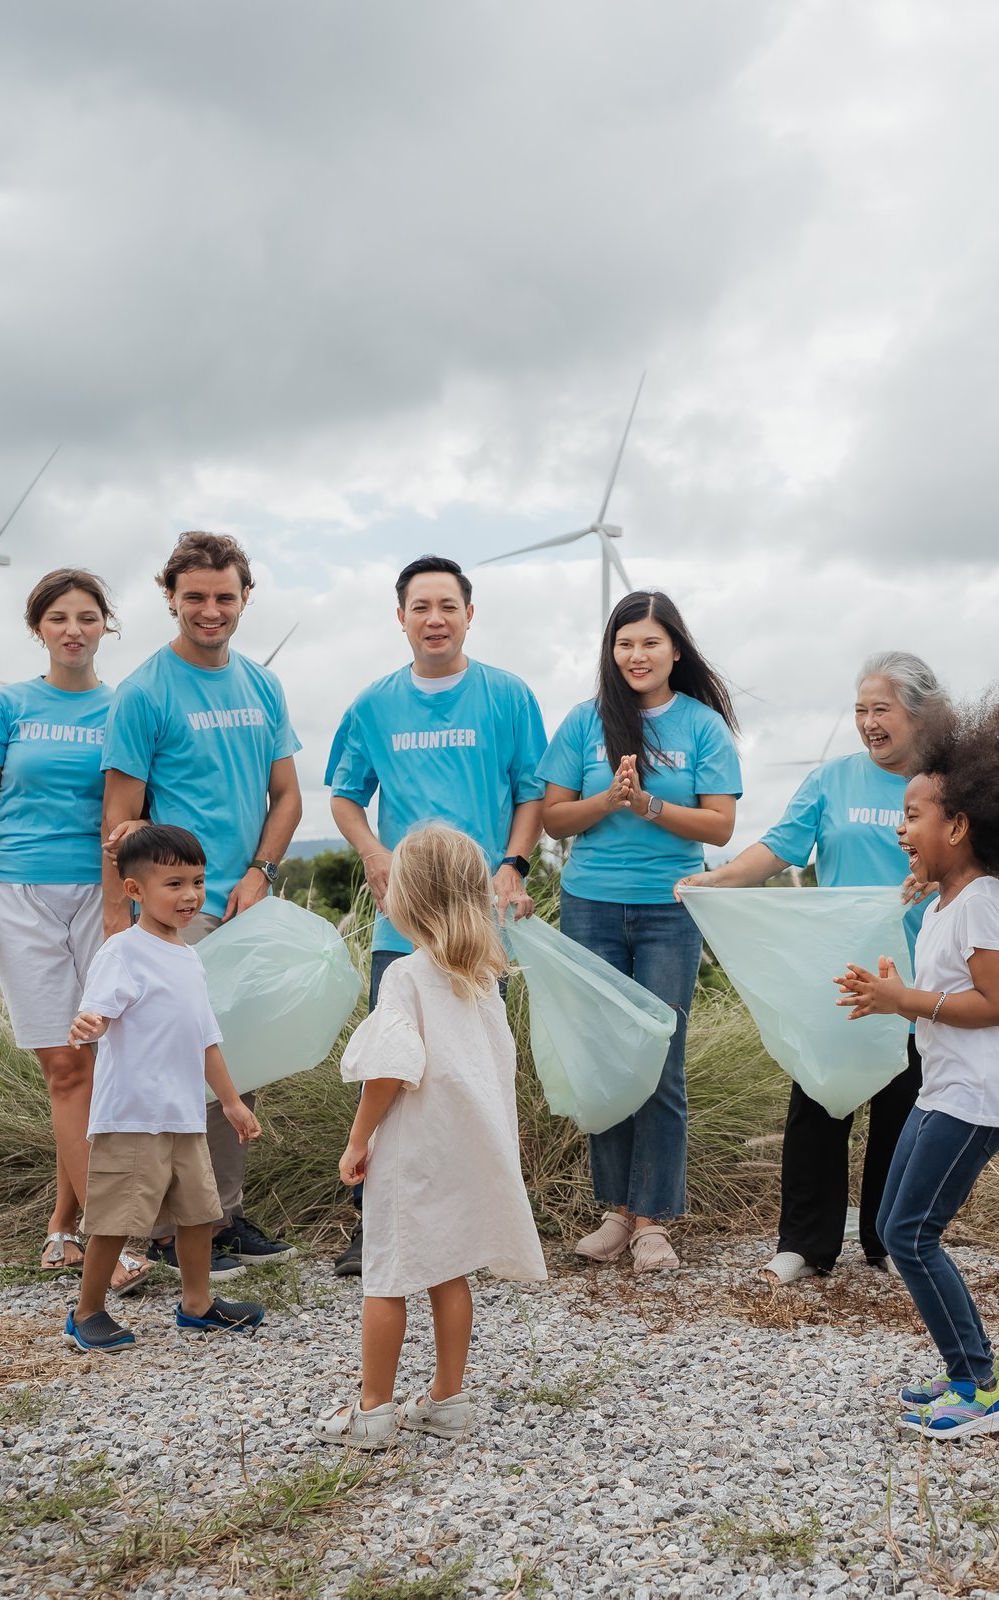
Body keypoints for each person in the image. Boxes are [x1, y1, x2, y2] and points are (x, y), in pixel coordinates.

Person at [836, 702, 999, 1441]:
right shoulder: (945, 903)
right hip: (947, 1090)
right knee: (891, 1225)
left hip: (979, 1095)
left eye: (913, 816)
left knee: (910, 1235)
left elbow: (997, 1004)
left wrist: (906, 998)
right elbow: (941, 996)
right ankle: (966, 1371)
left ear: (960, 826)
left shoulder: (984, 902)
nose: (901, 829)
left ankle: (982, 1388)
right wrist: (891, 995)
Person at [678, 650, 945, 1284]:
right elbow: (779, 847)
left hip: (920, 970)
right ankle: (805, 1242)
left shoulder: (948, 783)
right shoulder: (833, 780)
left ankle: (888, 1242)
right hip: (843, 969)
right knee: (820, 1099)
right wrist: (719, 880)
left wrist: (932, 879)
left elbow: (979, 862)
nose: (868, 722)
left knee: (904, 1107)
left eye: (882, 709)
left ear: (919, 714)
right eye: (860, 710)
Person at [325, 554, 548, 1277]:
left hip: (480, 925)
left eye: (447, 605)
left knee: (475, 1072)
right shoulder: (372, 704)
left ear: (469, 614)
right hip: (403, 923)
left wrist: (513, 862)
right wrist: (372, 852)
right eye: (420, 606)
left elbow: (531, 793)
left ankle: (482, 1223)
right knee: (393, 1067)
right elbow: (344, 795)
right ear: (401, 618)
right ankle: (376, 1222)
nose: (435, 618)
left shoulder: (509, 696)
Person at [102, 531, 304, 1278]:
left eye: (224, 596)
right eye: (195, 597)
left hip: (248, 901)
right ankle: (167, 1230)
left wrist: (261, 872)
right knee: (179, 1067)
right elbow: (118, 822)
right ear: (171, 599)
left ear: (246, 597)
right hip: (179, 909)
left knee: (234, 1065)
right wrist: (119, 922)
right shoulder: (144, 692)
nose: (210, 610)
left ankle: (218, 1216)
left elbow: (287, 797)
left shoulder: (262, 685)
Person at [315, 826, 548, 1449]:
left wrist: (358, 1139)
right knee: (450, 1271)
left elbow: (390, 1068)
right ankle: (447, 1398)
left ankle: (373, 1411)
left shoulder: (405, 977)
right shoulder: (480, 976)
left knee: (386, 1275)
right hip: (466, 1145)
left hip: (414, 1149)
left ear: (406, 900)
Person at [0, 568, 147, 1294]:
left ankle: (62, 1229)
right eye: (59, 617)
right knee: (66, 1069)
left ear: (107, 626)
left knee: (100, 1068)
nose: (74, 629)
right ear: (39, 628)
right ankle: (110, 1236)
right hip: (20, 896)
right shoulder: (5, 706)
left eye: (88, 617)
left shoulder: (125, 707)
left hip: (104, 898)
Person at [541, 591, 741, 1272]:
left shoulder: (702, 727)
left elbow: (720, 826)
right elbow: (553, 820)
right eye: (625, 643)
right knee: (604, 1061)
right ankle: (616, 1214)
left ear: (675, 650)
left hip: (669, 909)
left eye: (650, 642)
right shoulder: (583, 722)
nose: (637, 654)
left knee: (659, 1061)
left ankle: (654, 1219)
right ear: (611, 651)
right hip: (589, 906)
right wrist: (611, 799)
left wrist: (651, 805)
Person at [64, 825, 266, 1352]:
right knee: (115, 1218)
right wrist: (88, 1024)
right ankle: (87, 1311)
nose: (190, 896)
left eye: (197, 882)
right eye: (173, 884)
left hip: (184, 1115)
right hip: (133, 1115)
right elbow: (99, 1013)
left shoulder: (188, 956)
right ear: (135, 891)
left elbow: (206, 1039)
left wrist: (230, 1101)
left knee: (200, 1213)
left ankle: (196, 1304)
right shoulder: (122, 952)